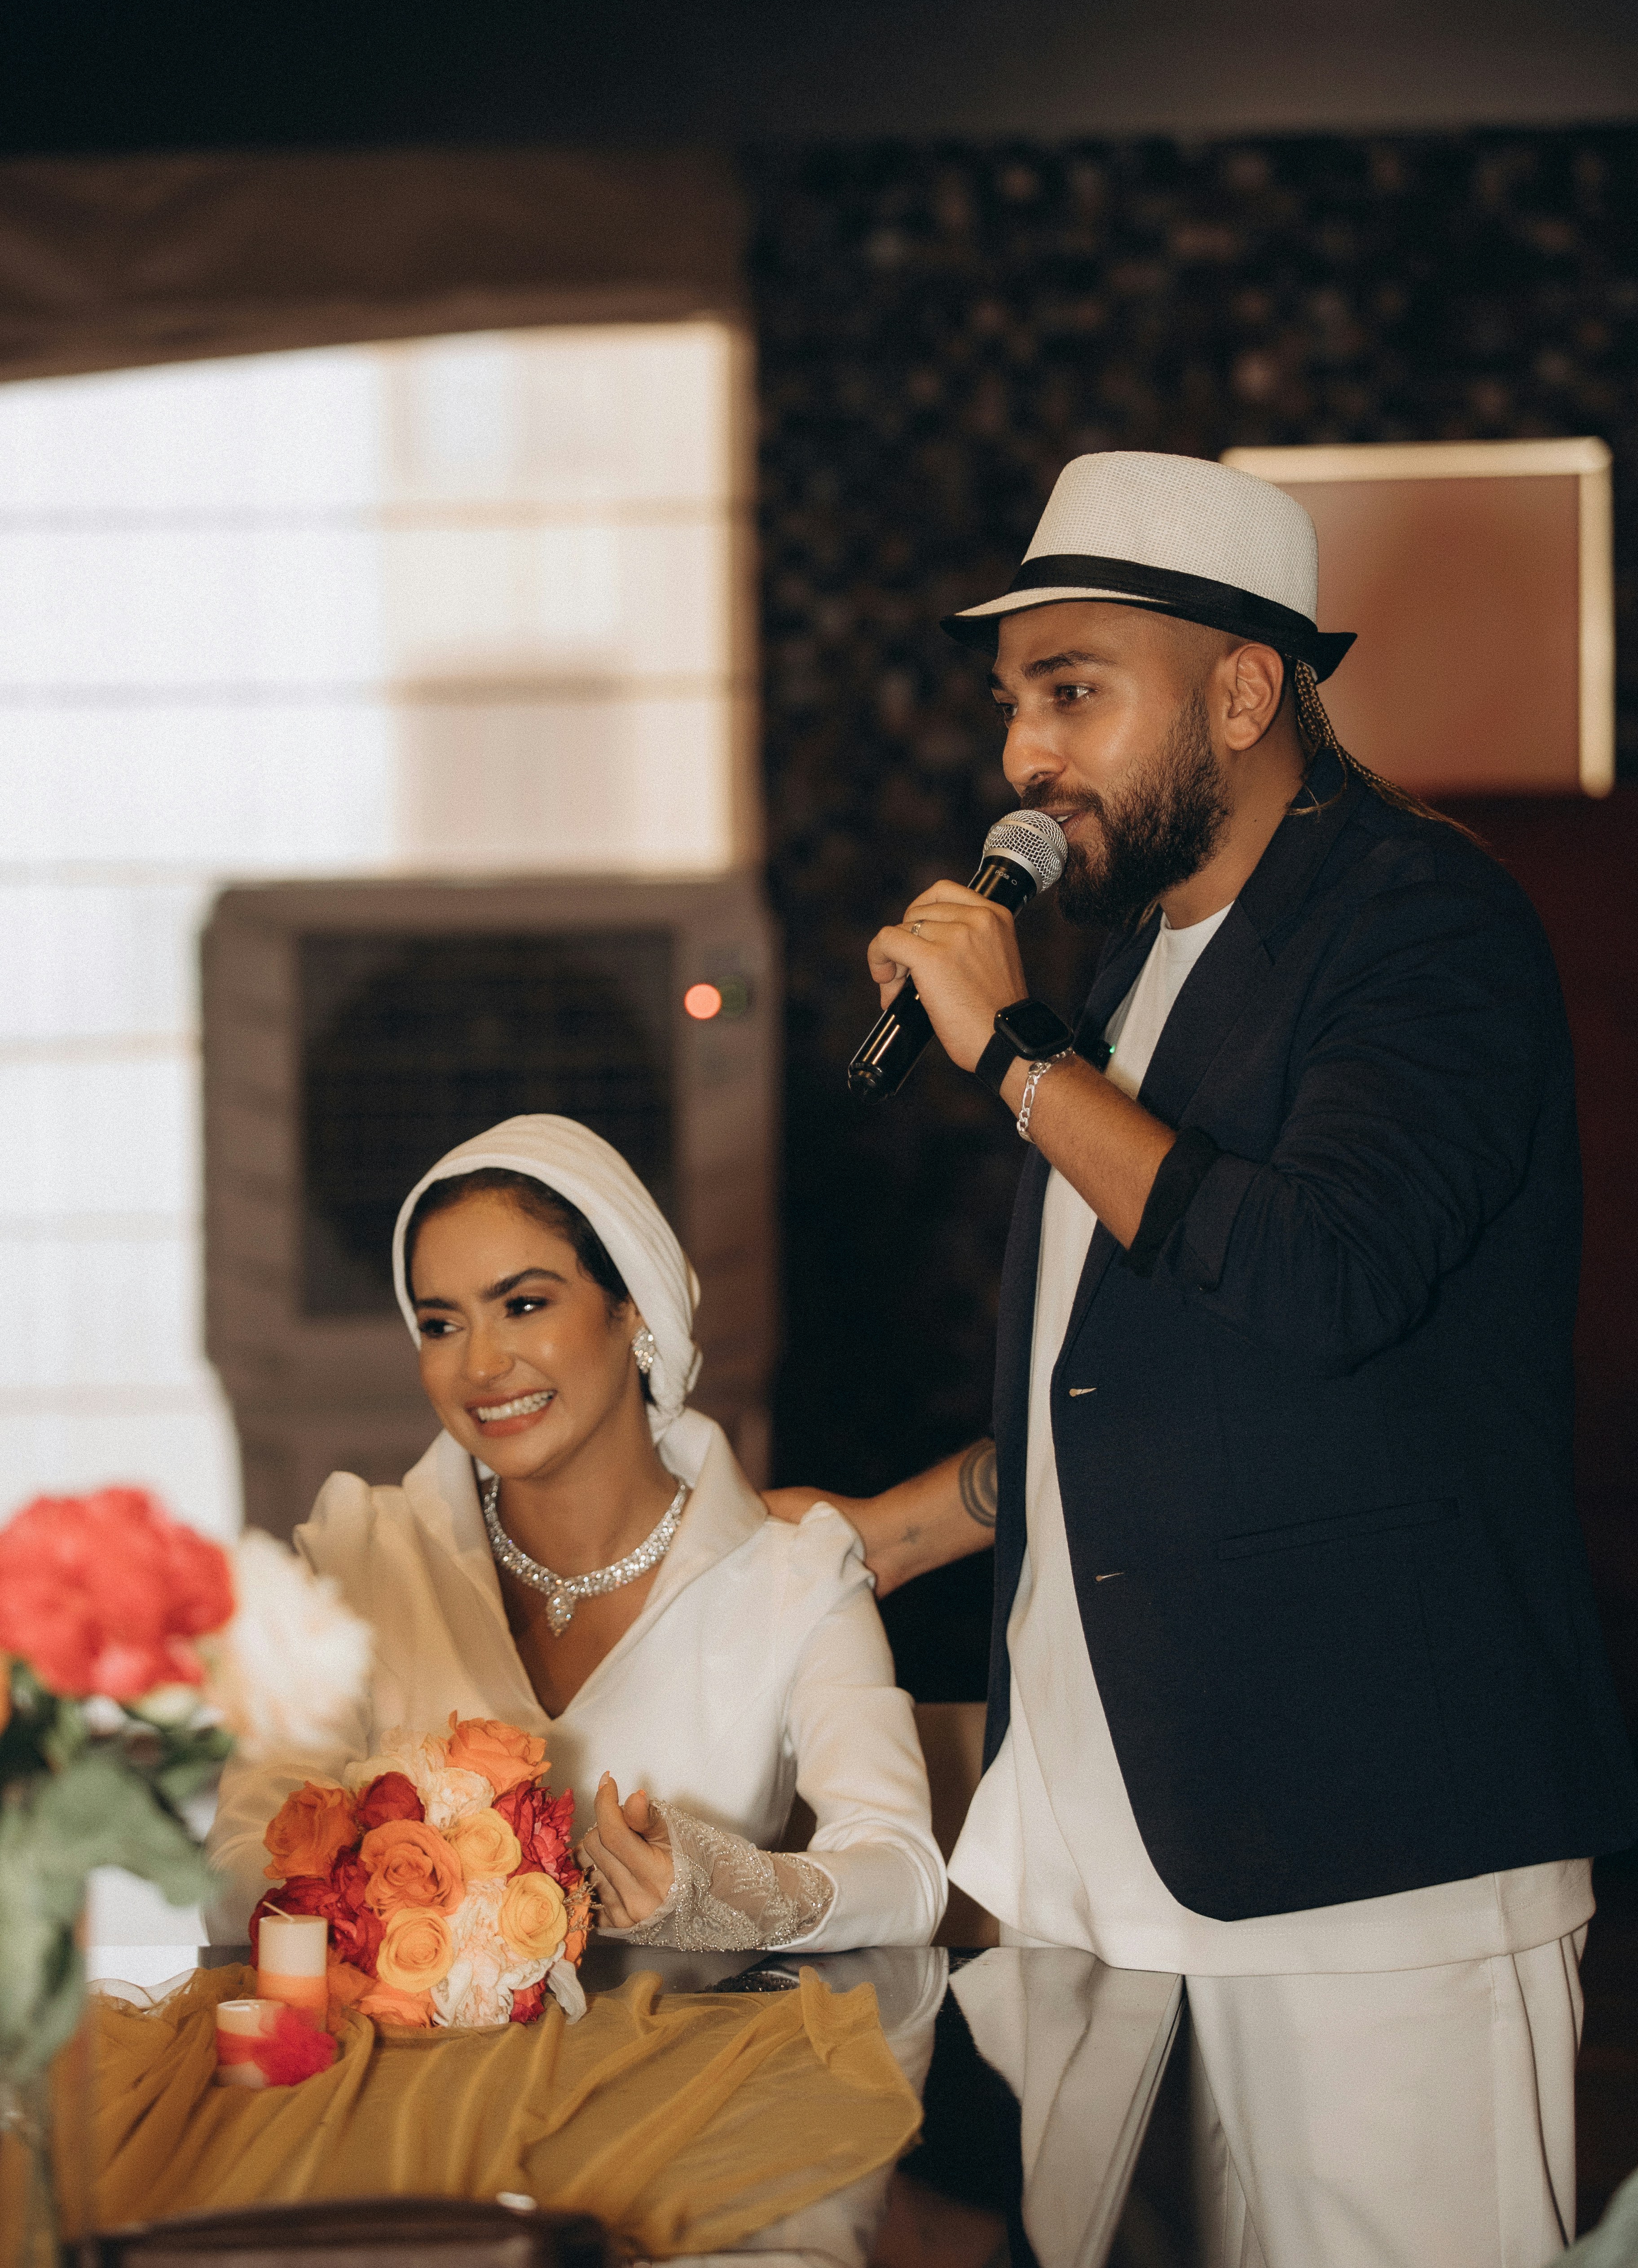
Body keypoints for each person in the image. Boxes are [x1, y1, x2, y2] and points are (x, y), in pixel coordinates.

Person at [767, 450, 1638, 2265]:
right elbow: (1151, 1386)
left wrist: (1014, 1058)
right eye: (1014, 703)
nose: (1023, 757)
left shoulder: (1421, 923)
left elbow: (1325, 1278)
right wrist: (888, 1532)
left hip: (1371, 1854)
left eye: (1074, 691)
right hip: (1111, 1858)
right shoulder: (1144, 975)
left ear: (1244, 692)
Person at [210, 1114, 946, 1953]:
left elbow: (905, 1878)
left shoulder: (796, 1578)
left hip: (690, 2076)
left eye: (523, 1305)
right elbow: (240, 1859)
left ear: (633, 1310)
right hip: (419, 2079)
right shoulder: (356, 1561)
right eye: (441, 1324)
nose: (480, 1366)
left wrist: (719, 1889)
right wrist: (402, 1897)